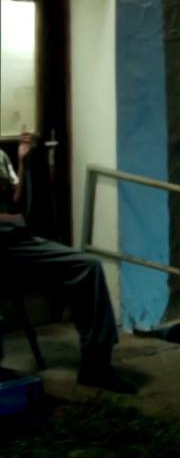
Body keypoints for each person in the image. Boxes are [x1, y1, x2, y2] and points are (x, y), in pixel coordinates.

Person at [0, 132, 135, 394]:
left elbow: (18, 205)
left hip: (16, 241)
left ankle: (96, 365)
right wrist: (8, 219)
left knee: (87, 266)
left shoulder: (1, 157)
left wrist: (24, 162)